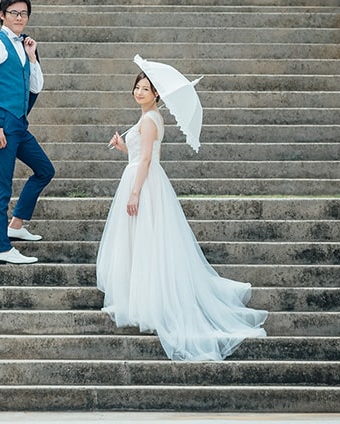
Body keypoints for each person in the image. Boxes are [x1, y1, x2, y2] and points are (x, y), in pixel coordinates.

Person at [97, 71, 268, 360]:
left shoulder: (151, 120)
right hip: (140, 177)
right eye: (137, 88)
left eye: (146, 89)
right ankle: (139, 298)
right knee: (140, 241)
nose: (139, 92)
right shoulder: (146, 118)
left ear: (156, 95)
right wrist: (123, 146)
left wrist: (135, 192)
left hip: (145, 183)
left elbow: (149, 159)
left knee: (146, 240)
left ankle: (147, 302)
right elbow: (138, 154)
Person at [0, 0, 55, 265]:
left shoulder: (25, 45)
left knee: (45, 170)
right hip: (3, 123)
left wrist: (32, 57)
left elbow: (35, 87)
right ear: (2, 15)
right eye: (14, 13)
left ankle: (17, 225)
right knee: (1, 187)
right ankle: (1, 248)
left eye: (24, 13)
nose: (19, 17)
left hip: (19, 124)